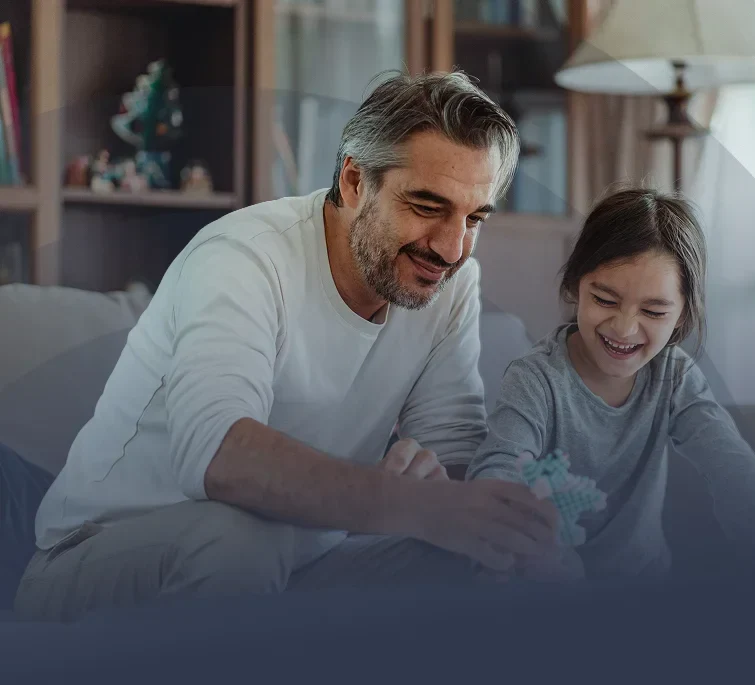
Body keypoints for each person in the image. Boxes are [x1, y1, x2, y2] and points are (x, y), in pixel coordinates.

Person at [14, 70, 561, 622]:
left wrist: (508, 526)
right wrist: (405, 502)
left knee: (476, 560)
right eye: (426, 207)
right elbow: (215, 454)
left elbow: (455, 458)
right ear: (353, 182)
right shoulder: (243, 255)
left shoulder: (450, 283)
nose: (450, 247)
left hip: (299, 562)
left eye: (474, 218)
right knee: (242, 537)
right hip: (95, 554)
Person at [467, 186, 755, 582]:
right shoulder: (536, 378)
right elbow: (497, 467)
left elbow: (731, 466)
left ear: (681, 315)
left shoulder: (674, 377)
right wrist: (519, 544)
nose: (623, 327)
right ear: (576, 286)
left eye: (654, 310)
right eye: (604, 300)